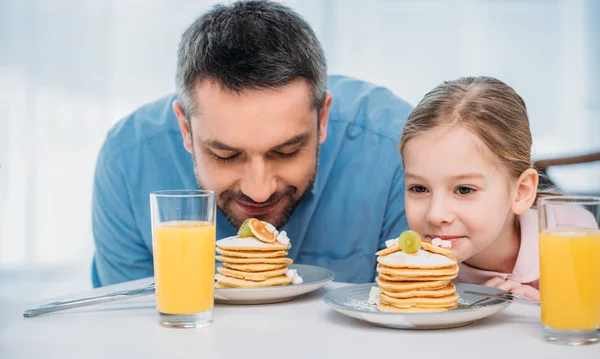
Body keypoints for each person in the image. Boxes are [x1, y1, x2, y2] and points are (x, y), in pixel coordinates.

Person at [91, 0, 413, 287]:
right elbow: (133, 329)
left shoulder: (398, 149)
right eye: (226, 155)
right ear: (185, 128)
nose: (259, 191)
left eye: (286, 151)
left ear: (323, 118)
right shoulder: (126, 162)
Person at [399, 76, 556, 301]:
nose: (436, 215)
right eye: (419, 188)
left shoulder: (575, 239)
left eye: (464, 190)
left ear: (521, 192)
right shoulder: (412, 267)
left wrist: (547, 311)